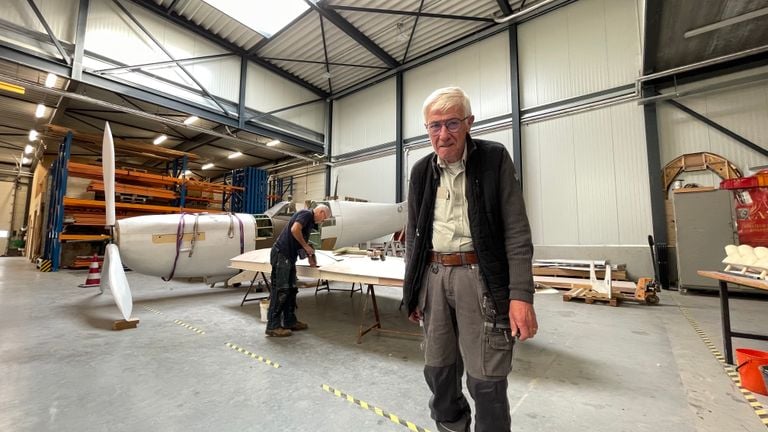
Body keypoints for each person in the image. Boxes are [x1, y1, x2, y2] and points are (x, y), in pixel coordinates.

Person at [403, 87, 538, 432]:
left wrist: (520, 295)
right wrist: (413, 291)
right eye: (434, 126)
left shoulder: (493, 160)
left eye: (452, 123)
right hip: (434, 276)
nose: (443, 134)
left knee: (487, 380)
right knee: (439, 373)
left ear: (469, 123)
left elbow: (517, 232)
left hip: (479, 278)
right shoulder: (420, 172)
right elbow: (414, 238)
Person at [266, 204, 330, 337]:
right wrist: (306, 246)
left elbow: (298, 241)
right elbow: (295, 230)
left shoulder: (309, 221)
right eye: (324, 219)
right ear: (321, 212)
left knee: (291, 289)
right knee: (281, 290)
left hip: (288, 257)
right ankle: (273, 326)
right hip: (281, 254)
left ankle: (289, 321)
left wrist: (310, 256)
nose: (322, 221)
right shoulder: (306, 214)